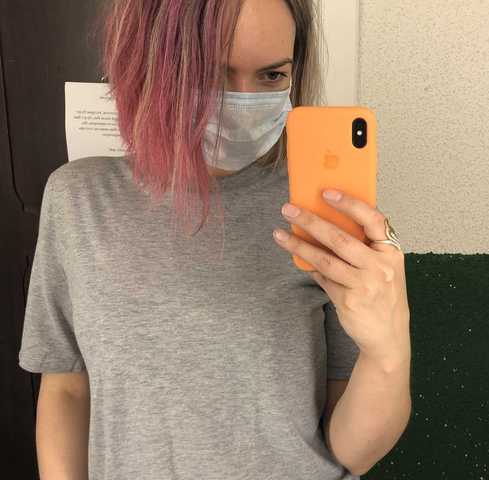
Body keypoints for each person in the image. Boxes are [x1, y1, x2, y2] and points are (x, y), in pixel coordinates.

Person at [18, 0, 411, 478]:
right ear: (148, 65)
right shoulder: (79, 199)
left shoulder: (325, 212)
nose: (242, 101)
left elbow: (353, 453)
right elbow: (66, 387)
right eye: (211, 74)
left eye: (271, 75)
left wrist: (388, 351)